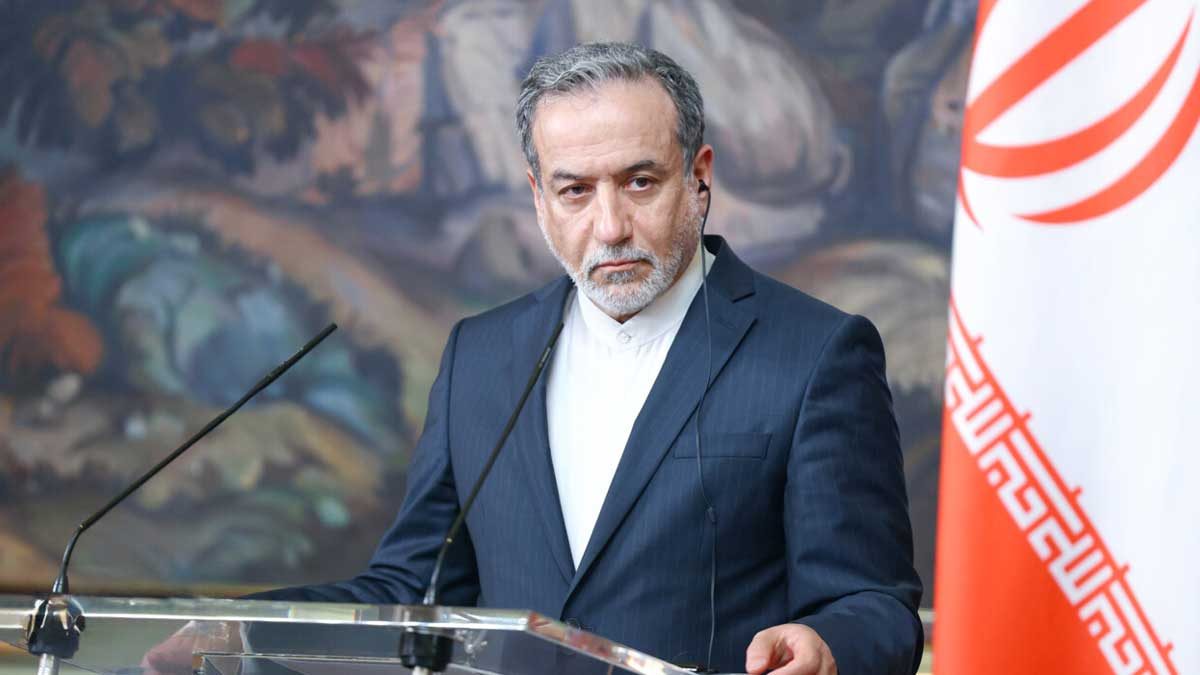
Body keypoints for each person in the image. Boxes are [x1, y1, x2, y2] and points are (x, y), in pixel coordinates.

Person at [149, 42, 923, 675]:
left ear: (699, 177)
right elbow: (413, 588)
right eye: (575, 191)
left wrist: (827, 646)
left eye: (640, 182)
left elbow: (874, 604)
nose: (610, 225)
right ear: (538, 198)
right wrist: (239, 629)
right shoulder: (481, 355)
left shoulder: (816, 352)